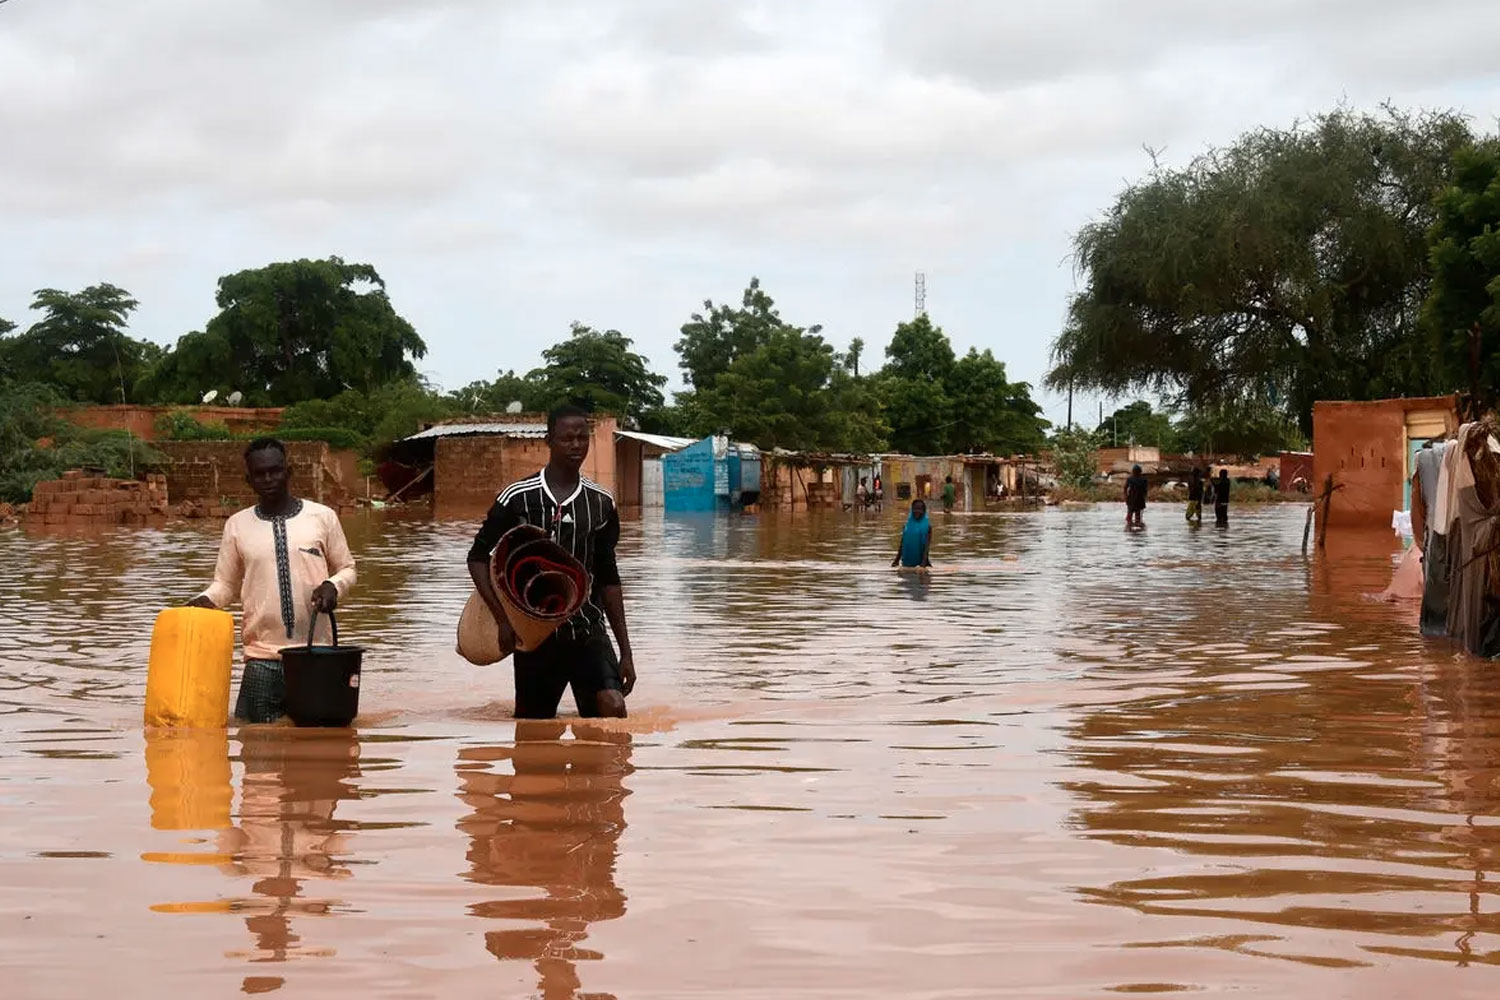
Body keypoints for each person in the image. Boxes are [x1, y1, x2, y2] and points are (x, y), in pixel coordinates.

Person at [466, 404, 636, 719]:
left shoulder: (601, 503)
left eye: (582, 438)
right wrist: (502, 618)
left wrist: (626, 651)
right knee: (532, 731)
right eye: (567, 438)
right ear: (548, 441)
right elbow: (477, 558)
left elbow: (608, 577)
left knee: (613, 707)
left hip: (587, 631)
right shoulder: (517, 497)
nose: (576, 446)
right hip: (534, 638)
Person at [188, 438, 357, 723]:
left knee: (320, 751)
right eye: (260, 474)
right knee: (255, 747)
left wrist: (333, 585)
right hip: (261, 657)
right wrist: (205, 601)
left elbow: (348, 568)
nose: (269, 479)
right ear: (249, 479)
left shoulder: (322, 517)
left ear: (288, 472)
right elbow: (225, 585)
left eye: (275, 471)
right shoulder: (237, 525)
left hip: (316, 656)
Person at [892, 499, 933, 570]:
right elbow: (902, 544)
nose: (917, 511)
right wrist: (896, 561)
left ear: (924, 511)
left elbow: (926, 547)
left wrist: (923, 565)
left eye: (920, 509)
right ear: (912, 510)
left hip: (921, 564)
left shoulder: (928, 527)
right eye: (915, 509)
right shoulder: (906, 526)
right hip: (906, 563)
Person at [1124, 464, 1148, 528]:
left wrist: (1126, 497)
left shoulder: (1130, 479)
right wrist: (1144, 498)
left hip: (1131, 500)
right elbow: (1145, 491)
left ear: (1133, 472)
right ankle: (1138, 529)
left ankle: (1129, 527)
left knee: (1129, 516)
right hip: (1139, 500)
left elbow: (1125, 488)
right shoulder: (1144, 480)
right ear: (1140, 472)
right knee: (1138, 518)